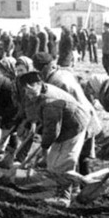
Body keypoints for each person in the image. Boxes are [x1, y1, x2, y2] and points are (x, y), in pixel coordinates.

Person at [18, 71, 91, 208]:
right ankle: (74, 187)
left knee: (59, 165)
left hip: (73, 127)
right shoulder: (37, 94)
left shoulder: (50, 102)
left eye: (30, 89)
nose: (28, 93)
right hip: (65, 125)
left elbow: (52, 131)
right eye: (25, 90)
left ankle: (65, 197)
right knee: (55, 163)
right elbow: (36, 115)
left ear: (40, 84)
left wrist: (44, 148)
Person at [32, 53, 102, 175]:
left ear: (45, 68)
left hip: (80, 119)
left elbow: (55, 113)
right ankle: (80, 186)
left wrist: (45, 140)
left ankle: (83, 188)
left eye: (38, 71)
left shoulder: (57, 82)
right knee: (78, 156)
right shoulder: (61, 74)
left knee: (75, 156)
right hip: (81, 116)